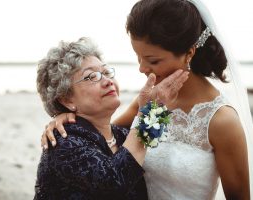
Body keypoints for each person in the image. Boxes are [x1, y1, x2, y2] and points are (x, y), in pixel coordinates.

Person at [41, 0, 253, 199]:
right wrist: (67, 116)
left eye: (152, 60)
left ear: (189, 53)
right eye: (138, 57)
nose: (142, 68)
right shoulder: (149, 101)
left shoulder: (222, 120)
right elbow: (105, 140)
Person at [34, 37, 188, 199]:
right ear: (67, 99)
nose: (107, 81)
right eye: (91, 76)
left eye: (106, 72)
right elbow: (113, 183)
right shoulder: (62, 141)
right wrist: (150, 112)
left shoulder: (121, 135)